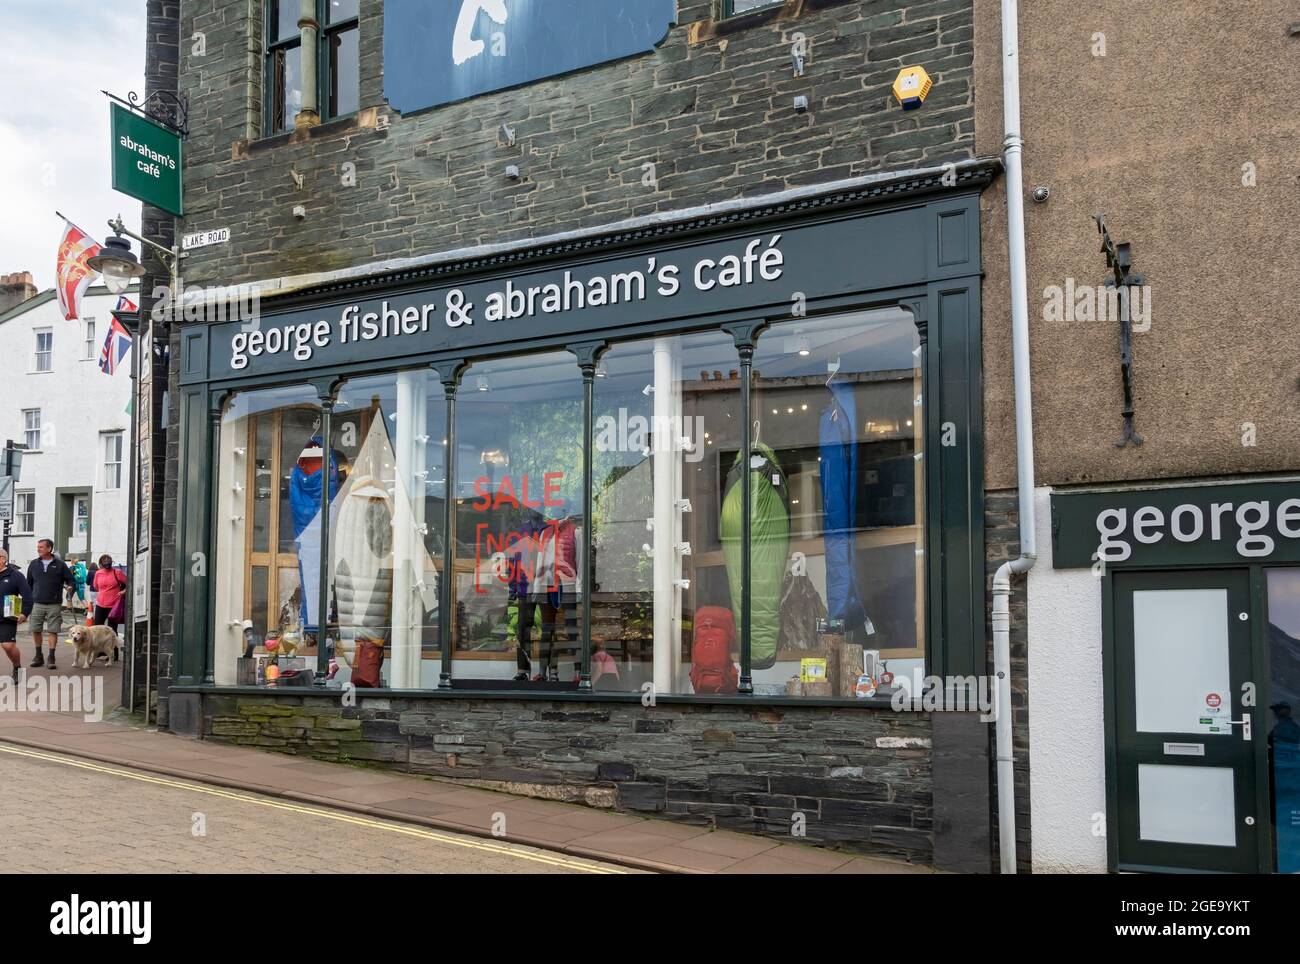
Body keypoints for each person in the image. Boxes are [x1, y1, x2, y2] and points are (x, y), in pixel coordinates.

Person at [26, 538, 75, 671]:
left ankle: (51, 657)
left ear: (49, 549)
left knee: (53, 630)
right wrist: (29, 599)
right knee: (36, 630)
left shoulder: (60, 565)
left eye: (41, 547)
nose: (38, 549)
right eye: (38, 547)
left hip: (54, 603)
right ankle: (38, 656)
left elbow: (71, 580)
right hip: (37, 602)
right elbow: (28, 584)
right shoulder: (33, 564)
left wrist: (70, 587)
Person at [0, 549, 33, 683]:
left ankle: (17, 667)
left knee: (8, 646)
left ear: (3, 559)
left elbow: (28, 596)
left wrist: (24, 613)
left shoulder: (16, 575)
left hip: (7, 617)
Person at [91, 554, 127, 659]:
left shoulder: (117, 572)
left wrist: (123, 592)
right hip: (100, 604)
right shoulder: (98, 573)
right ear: (101, 563)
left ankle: (114, 653)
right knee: (97, 629)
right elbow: (96, 586)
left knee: (112, 630)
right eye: (104, 560)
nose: (107, 562)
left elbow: (130, 583)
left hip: (114, 605)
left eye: (109, 560)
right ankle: (100, 651)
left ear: (112, 562)